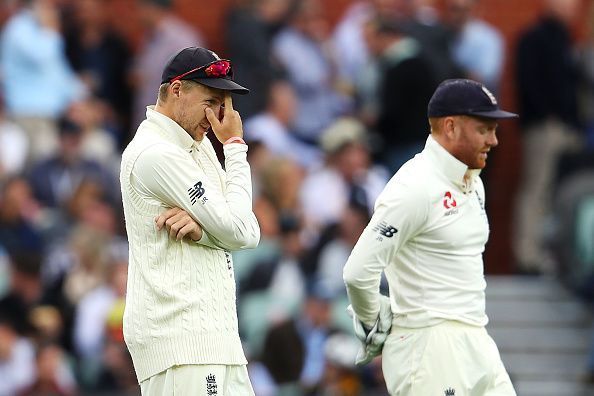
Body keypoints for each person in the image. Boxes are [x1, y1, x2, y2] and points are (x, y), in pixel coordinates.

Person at [343, 79, 518, 395]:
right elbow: (357, 272)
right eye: (484, 129)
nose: (494, 140)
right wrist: (374, 322)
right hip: (428, 346)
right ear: (450, 127)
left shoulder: (473, 182)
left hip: (477, 336)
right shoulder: (414, 187)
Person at [120, 46, 261, 395]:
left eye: (222, 104)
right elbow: (239, 230)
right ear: (178, 89)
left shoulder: (198, 146)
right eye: (211, 101)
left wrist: (204, 233)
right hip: (181, 341)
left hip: (216, 339)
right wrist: (236, 146)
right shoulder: (156, 153)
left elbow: (249, 230)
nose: (217, 115)